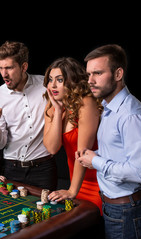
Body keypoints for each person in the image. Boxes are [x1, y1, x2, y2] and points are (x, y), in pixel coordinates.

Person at [77, 44, 141, 239]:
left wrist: (95, 161)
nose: (90, 81)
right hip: (115, 207)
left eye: (97, 73)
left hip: (128, 211)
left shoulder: (130, 115)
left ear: (118, 74)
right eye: (89, 74)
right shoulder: (109, 106)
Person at [0, 41, 61, 190]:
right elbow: (0, 144)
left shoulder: (46, 86)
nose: (4, 74)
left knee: (49, 212)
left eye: (9, 68)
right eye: (1, 68)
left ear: (24, 66)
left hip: (44, 168)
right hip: (12, 169)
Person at [43, 57, 103, 213]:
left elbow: (82, 153)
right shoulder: (52, 106)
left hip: (98, 183)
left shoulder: (86, 103)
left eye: (60, 80)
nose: (53, 85)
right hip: (76, 182)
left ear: (72, 82)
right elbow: (52, 148)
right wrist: (57, 111)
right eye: (50, 80)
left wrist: (71, 191)